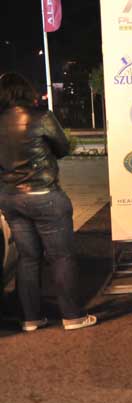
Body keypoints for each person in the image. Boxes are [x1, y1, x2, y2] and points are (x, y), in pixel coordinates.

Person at [0, 73, 96, 332]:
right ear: (25, 91)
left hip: (10, 197)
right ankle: (72, 316)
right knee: (61, 256)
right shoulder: (41, 117)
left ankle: (31, 318)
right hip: (44, 195)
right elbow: (63, 148)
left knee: (28, 258)